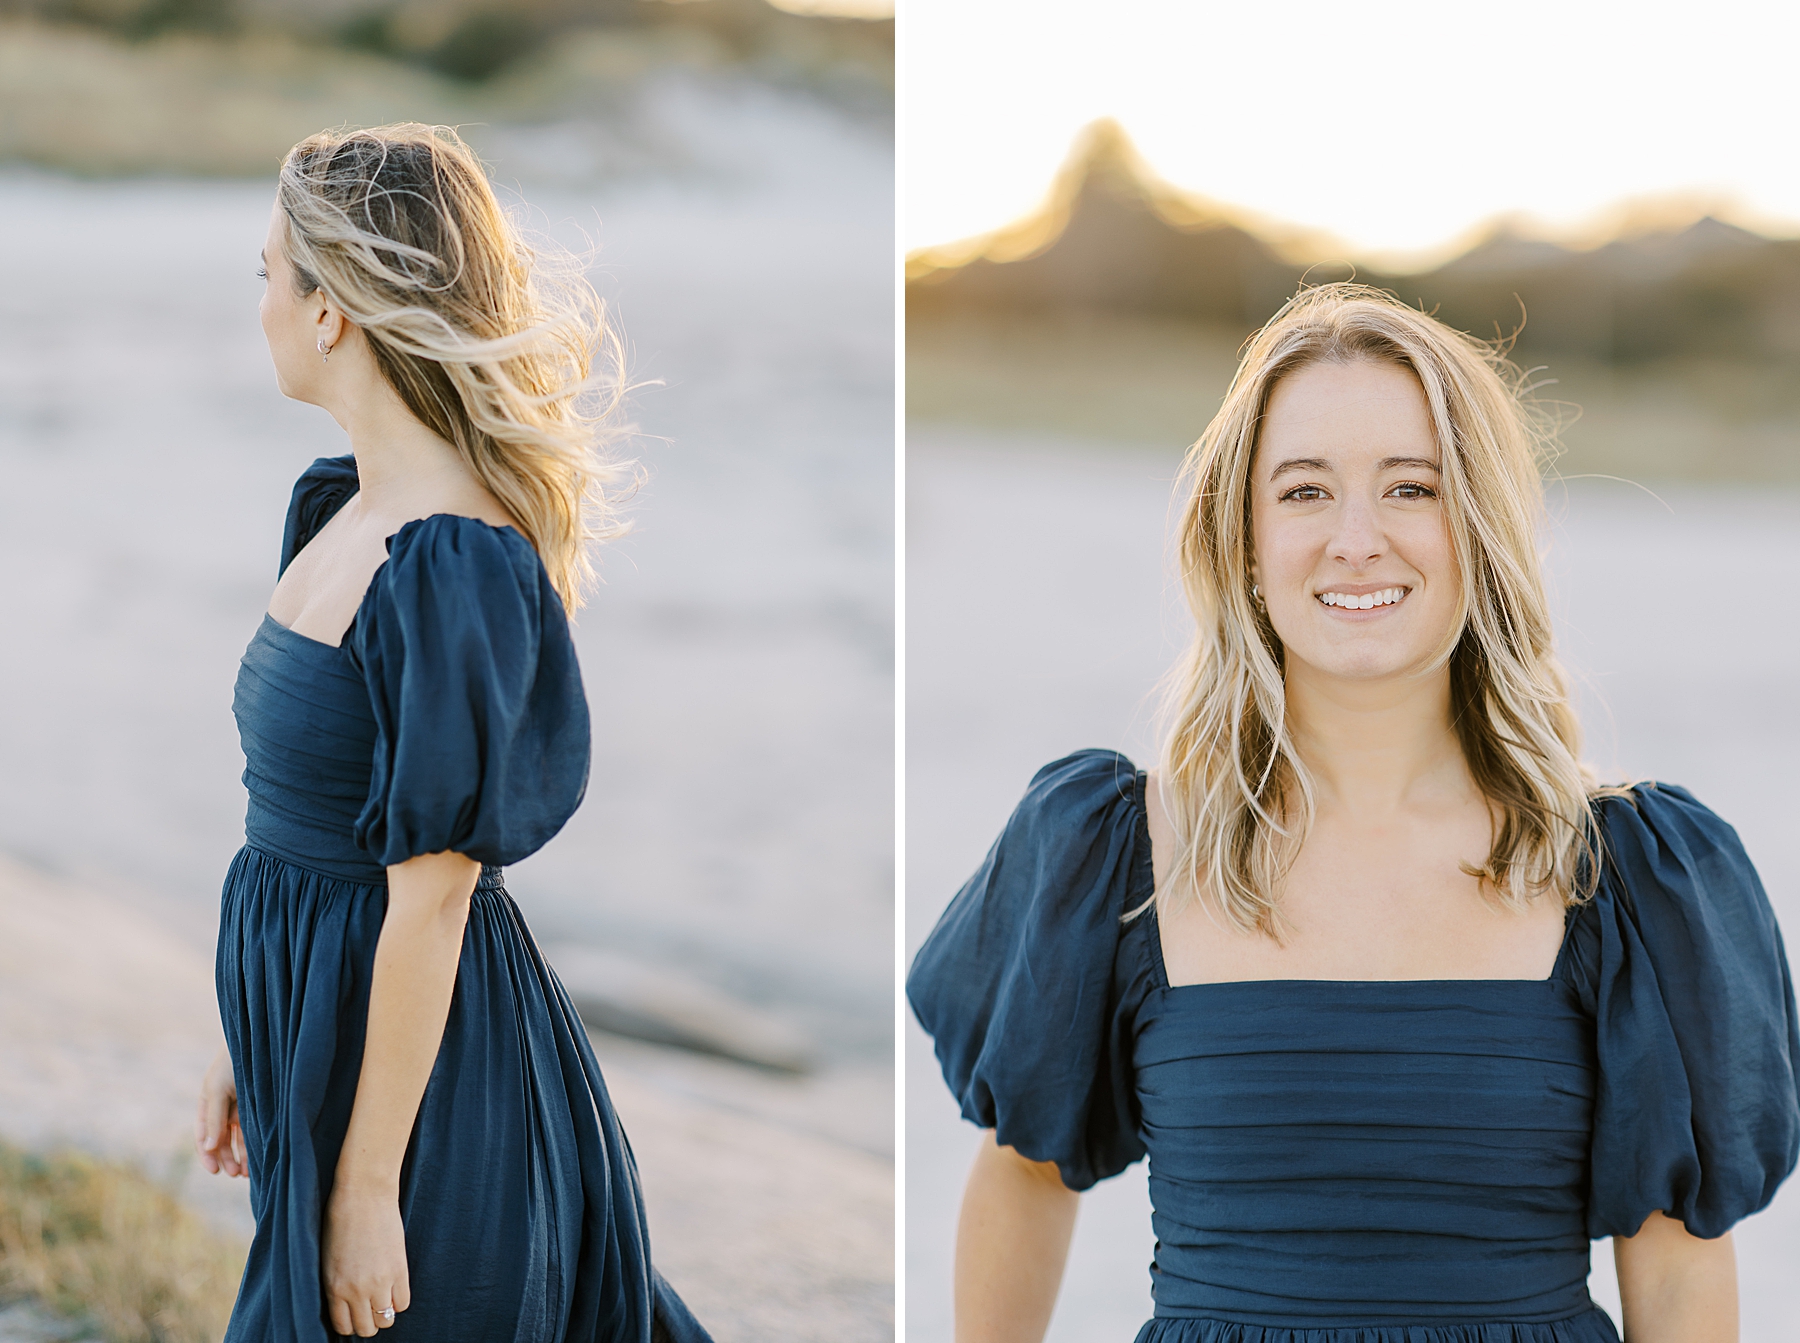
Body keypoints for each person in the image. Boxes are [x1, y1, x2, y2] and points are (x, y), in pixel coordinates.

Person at [908, 283, 1800, 1343]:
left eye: (1412, 488)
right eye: (1304, 492)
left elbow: (1681, 1271)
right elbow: (1023, 1183)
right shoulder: (1114, 852)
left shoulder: (1631, 878)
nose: (1358, 539)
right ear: (1242, 539)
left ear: (1478, 524)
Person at [190, 123, 709, 1343]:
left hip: (426, 1083)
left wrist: (370, 1186)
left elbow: (432, 897)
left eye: (269, 273)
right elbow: (295, 810)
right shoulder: (338, 508)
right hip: (316, 1037)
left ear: (332, 312)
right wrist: (240, 1032)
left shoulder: (453, 567)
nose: (260, 302)